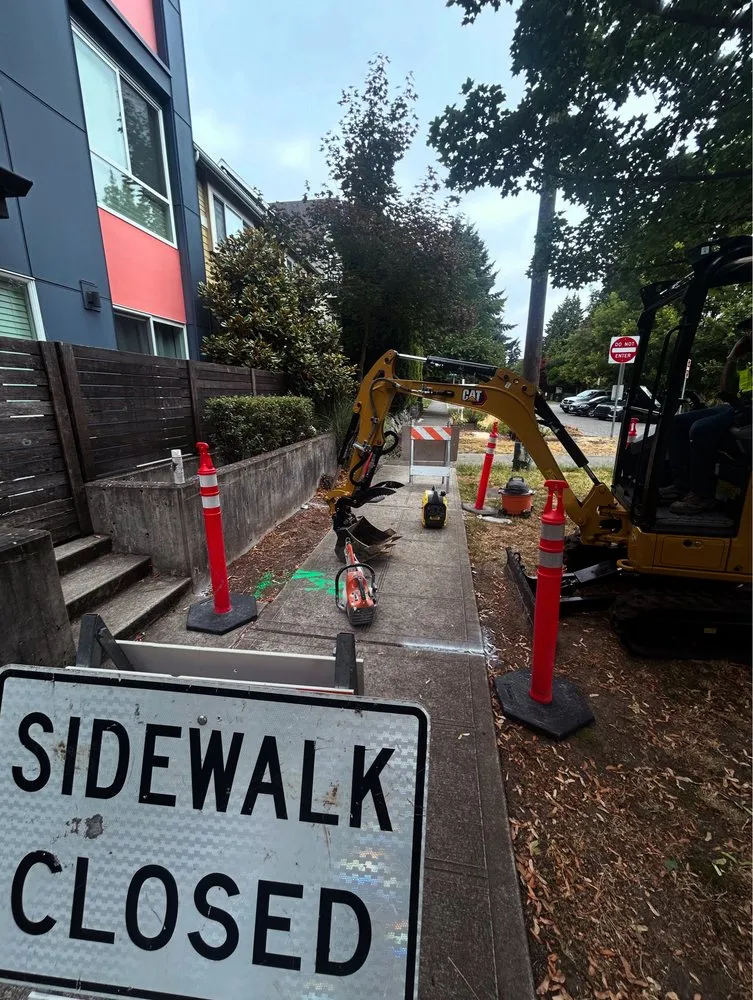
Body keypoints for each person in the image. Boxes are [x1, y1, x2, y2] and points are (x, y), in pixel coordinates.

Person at [661, 317, 752, 515]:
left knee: (701, 430)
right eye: (747, 332)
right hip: (739, 407)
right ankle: (681, 485)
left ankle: (702, 495)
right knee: (675, 423)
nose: (748, 336)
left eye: (751, 331)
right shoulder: (747, 361)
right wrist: (731, 359)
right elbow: (725, 391)